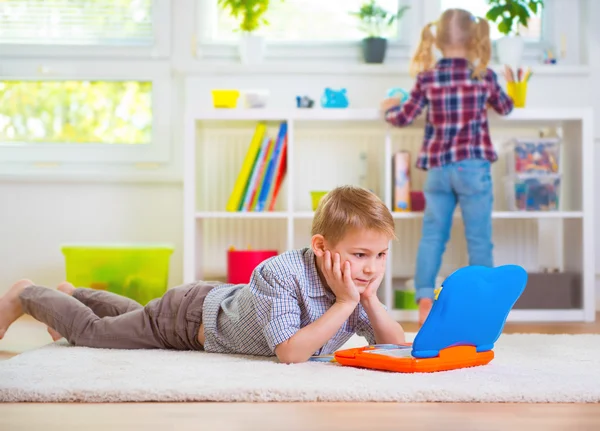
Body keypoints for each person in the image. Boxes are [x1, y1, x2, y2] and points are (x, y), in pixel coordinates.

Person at [0, 185, 405, 364]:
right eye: (360, 254)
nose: (372, 267)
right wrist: (348, 302)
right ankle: (26, 294)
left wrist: (367, 298)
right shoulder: (280, 273)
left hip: (200, 312)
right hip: (186, 320)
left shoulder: (355, 284)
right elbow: (291, 354)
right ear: (321, 247)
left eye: (381, 254)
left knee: (136, 315)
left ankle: (74, 294)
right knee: (97, 335)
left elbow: (395, 344)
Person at [380, 9, 514, 325]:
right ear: (474, 39)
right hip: (473, 167)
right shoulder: (484, 75)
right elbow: (505, 107)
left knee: (432, 236)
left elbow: (403, 117)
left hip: (438, 169)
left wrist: (387, 108)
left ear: (438, 40)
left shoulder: (427, 78)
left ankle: (425, 298)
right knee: (479, 238)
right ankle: (483, 304)